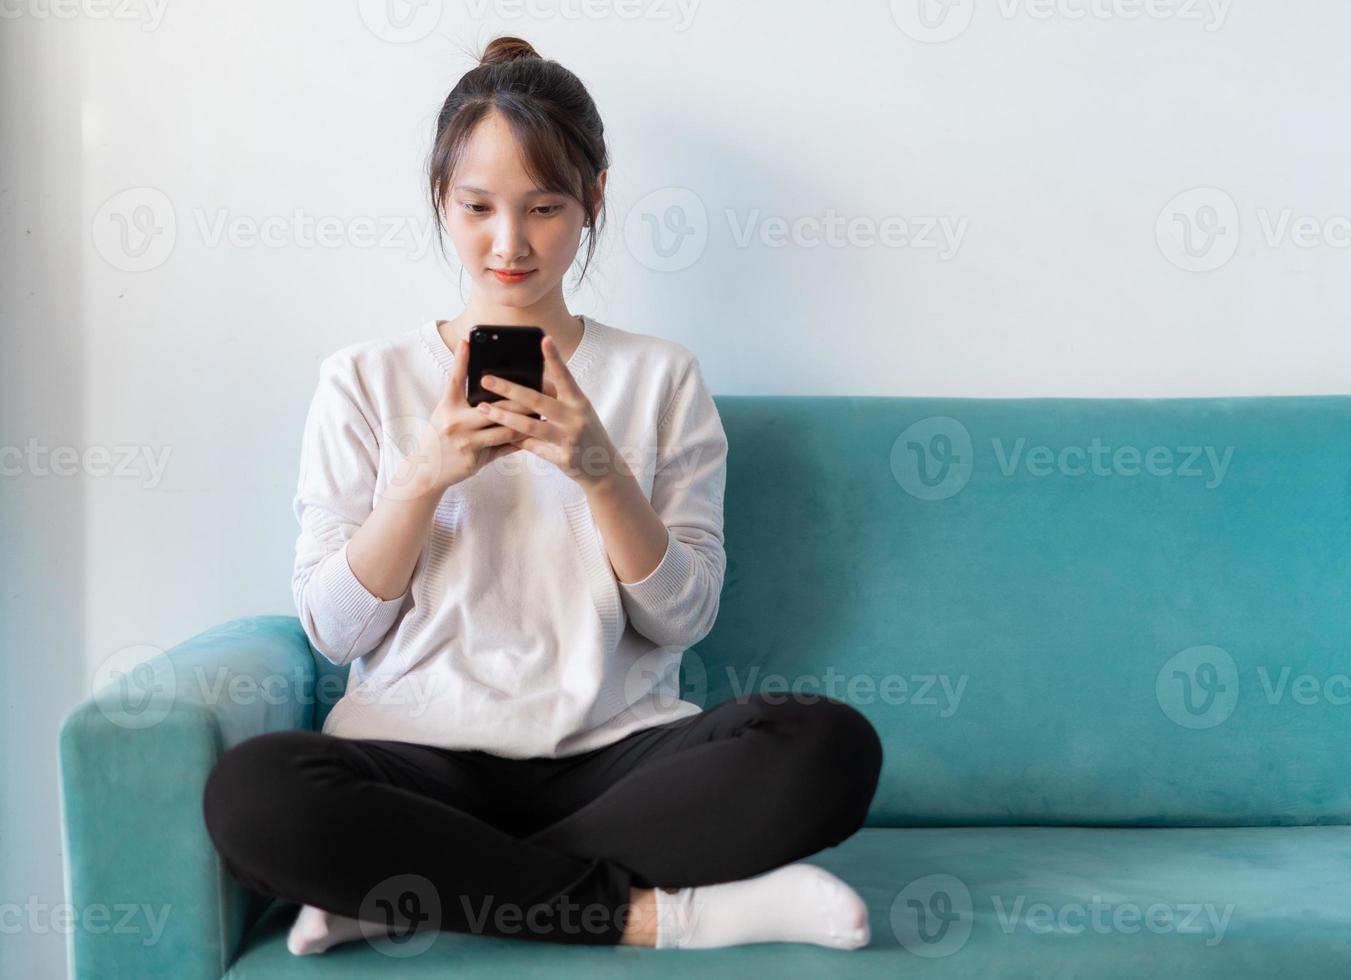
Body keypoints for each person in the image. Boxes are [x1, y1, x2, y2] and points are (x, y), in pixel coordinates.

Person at [202, 35, 884, 954]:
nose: (509, 243)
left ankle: (420, 888)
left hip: (610, 759)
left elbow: (682, 618)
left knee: (828, 747)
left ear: (595, 195)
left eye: (545, 207)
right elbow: (334, 630)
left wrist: (601, 469)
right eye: (477, 207)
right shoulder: (361, 380)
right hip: (414, 756)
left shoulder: (662, 377)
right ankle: (660, 916)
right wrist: (420, 480)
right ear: (441, 199)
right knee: (252, 794)